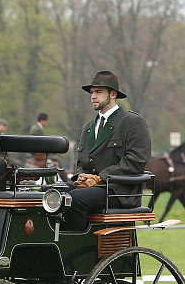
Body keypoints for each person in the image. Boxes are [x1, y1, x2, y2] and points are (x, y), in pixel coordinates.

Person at [64, 70, 151, 231]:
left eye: (98, 92)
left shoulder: (132, 122)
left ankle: (78, 249)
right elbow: (81, 161)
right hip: (90, 188)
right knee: (49, 192)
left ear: (113, 94)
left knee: (73, 199)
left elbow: (135, 161)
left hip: (119, 191)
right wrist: (81, 176)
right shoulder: (88, 127)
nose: (93, 96)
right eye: (92, 93)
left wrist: (100, 178)